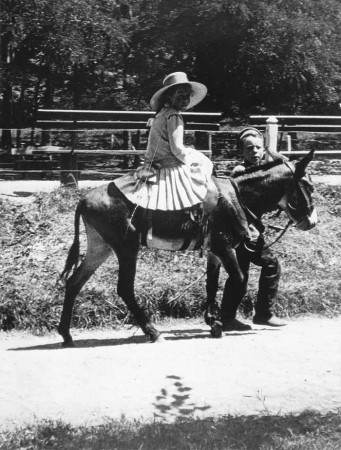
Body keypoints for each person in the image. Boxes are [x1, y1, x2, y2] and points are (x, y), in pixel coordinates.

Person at [114, 72, 213, 212]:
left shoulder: (161, 114)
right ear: (169, 97)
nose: (185, 100)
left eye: (187, 96)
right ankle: (198, 213)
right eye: (180, 96)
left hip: (155, 160)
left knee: (197, 156)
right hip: (168, 164)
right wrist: (190, 161)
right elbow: (177, 149)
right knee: (204, 166)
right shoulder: (173, 116)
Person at [222, 127, 287, 331]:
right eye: (249, 148)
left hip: (249, 229)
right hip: (242, 230)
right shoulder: (241, 173)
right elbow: (238, 205)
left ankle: (228, 317)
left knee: (240, 273)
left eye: (258, 147)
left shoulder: (262, 170)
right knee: (270, 265)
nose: (255, 152)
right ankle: (263, 314)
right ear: (242, 152)